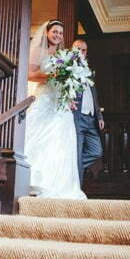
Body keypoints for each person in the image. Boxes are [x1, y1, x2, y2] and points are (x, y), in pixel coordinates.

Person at [23, 20, 86, 199]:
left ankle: (58, 183)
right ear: (47, 33)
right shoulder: (38, 51)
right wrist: (52, 75)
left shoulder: (62, 54)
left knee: (61, 141)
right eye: (55, 32)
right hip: (44, 98)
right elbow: (29, 75)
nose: (58, 35)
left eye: (60, 33)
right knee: (40, 137)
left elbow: (66, 80)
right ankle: (35, 180)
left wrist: (69, 94)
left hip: (60, 102)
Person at [70, 38, 104, 183]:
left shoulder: (89, 70)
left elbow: (93, 95)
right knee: (77, 153)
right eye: (78, 49)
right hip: (77, 117)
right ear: (72, 51)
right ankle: (77, 189)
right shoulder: (67, 67)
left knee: (97, 152)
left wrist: (100, 116)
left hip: (91, 119)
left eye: (84, 50)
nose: (81, 52)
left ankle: (71, 166)